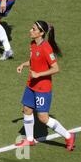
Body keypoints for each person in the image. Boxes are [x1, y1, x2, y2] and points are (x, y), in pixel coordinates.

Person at [15, 21, 75, 151]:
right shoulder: (33, 44)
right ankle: (30, 140)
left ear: (41, 33)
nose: (30, 30)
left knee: (43, 118)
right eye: (31, 28)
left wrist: (38, 74)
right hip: (31, 85)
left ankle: (68, 136)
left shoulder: (46, 48)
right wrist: (23, 65)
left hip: (43, 88)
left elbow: (55, 68)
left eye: (34, 29)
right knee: (27, 109)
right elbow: (34, 60)